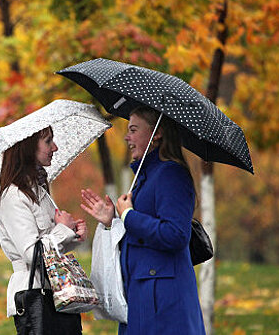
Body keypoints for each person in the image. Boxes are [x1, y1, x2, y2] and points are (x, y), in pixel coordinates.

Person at [80, 106, 205, 334]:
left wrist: (128, 215)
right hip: (141, 296)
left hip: (164, 303)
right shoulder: (145, 178)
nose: (127, 137)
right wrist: (113, 221)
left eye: (134, 130)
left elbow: (176, 235)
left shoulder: (171, 174)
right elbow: (139, 233)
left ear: (156, 133)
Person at [0, 126, 87, 335]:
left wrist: (72, 233)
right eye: (48, 141)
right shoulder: (14, 197)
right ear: (27, 147)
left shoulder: (39, 191)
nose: (54, 147)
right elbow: (31, 253)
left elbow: (51, 244)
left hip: (58, 291)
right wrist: (63, 229)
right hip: (36, 292)